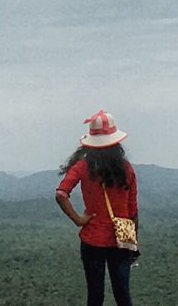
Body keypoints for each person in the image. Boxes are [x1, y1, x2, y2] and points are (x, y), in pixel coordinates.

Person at [55, 109, 139, 306]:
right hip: (122, 240)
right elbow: (133, 209)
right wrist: (134, 242)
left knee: (95, 296)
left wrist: (79, 220)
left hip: (92, 239)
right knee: (123, 296)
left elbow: (61, 194)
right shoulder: (126, 169)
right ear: (115, 141)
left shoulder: (83, 167)